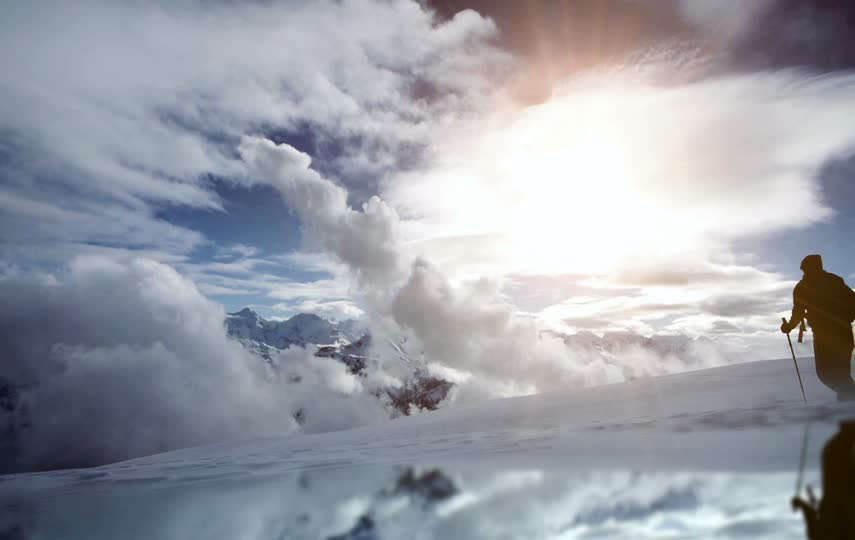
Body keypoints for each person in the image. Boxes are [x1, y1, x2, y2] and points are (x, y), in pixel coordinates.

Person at [781, 254, 855, 401]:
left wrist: (789, 326)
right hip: (839, 333)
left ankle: (848, 404)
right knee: (836, 374)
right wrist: (790, 325)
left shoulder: (804, 287)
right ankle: (848, 403)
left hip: (828, 335)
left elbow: (798, 311)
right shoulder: (833, 281)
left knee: (828, 374)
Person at [792, 420, 855, 539]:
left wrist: (801, 504)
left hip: (837, 494)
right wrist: (800, 503)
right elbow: (811, 515)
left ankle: (848, 432)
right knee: (833, 453)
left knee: (834, 453)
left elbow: (810, 515)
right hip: (840, 495)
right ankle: (849, 432)